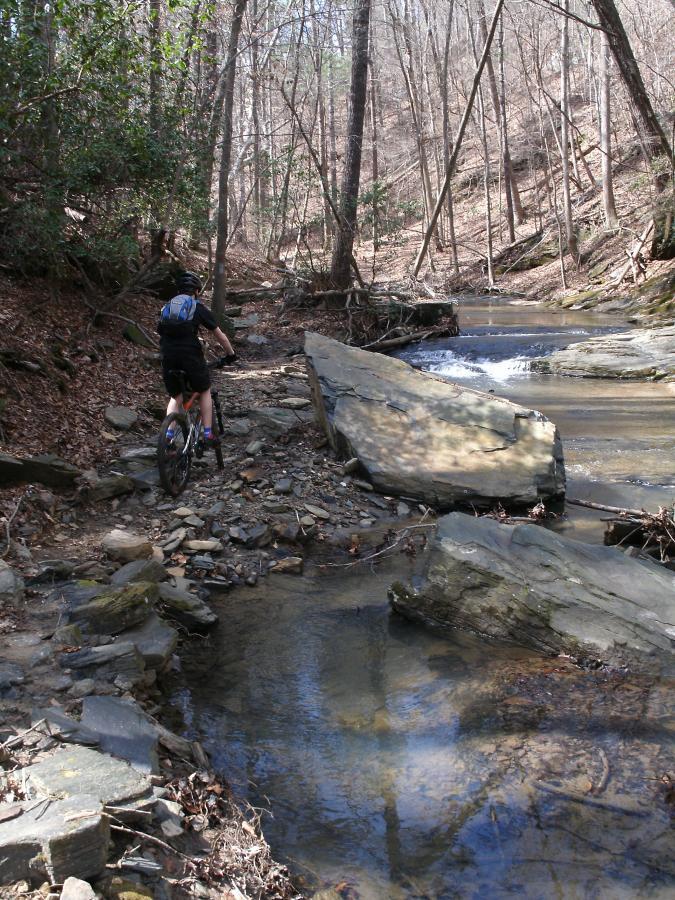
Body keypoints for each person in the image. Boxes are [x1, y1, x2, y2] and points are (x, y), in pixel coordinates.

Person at [158, 271, 235, 447]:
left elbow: (161, 333)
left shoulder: (166, 308)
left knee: (176, 396)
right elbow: (220, 336)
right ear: (197, 291)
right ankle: (207, 434)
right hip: (190, 356)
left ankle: (168, 436)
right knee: (204, 390)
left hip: (168, 355)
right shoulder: (196, 306)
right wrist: (231, 354)